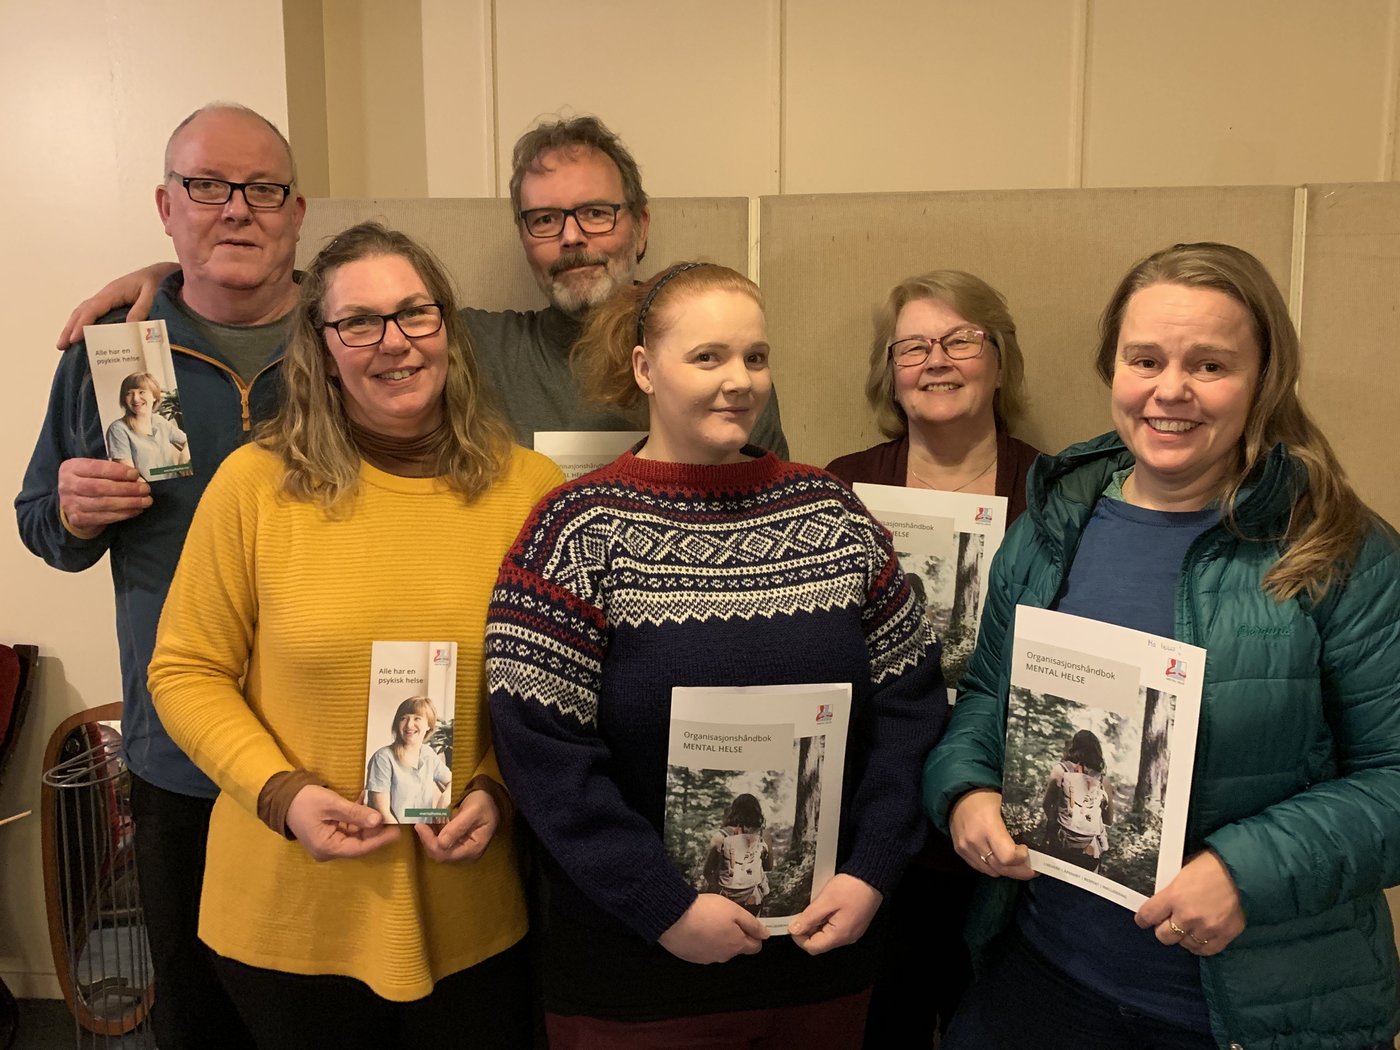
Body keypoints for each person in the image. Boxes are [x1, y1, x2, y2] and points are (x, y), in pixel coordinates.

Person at [924, 242, 1400, 1050]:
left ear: (1264, 379)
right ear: (1113, 367)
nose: (1169, 390)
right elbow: (984, 701)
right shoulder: (1051, 528)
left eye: (1210, 365)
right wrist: (965, 789)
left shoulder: (1339, 550)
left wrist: (1246, 872)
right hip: (1041, 973)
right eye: (1145, 359)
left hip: (1243, 1012)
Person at [484, 261, 947, 1048]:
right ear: (644, 368)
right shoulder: (576, 529)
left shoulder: (832, 514)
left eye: (755, 357)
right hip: (633, 967)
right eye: (708, 357)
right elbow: (542, 753)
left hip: (818, 954)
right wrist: (661, 907)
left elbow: (911, 706)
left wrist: (873, 867)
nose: (739, 381)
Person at [147, 221, 563, 1049]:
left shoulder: (530, 489)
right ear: (321, 346)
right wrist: (283, 793)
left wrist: (496, 787)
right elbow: (186, 671)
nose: (395, 342)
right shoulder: (256, 486)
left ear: (449, 327)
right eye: (359, 322)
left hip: (470, 903)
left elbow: (554, 686)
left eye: (416, 313)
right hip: (292, 910)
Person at [16, 101, 307, 1050]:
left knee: (325, 1004)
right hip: (179, 751)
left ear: (296, 211)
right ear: (166, 205)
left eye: (262, 189)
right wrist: (71, 508)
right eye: (207, 186)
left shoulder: (358, 342)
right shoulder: (115, 351)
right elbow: (40, 527)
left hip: (327, 738)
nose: (236, 209)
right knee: (200, 1012)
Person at [55, 114, 790, 458]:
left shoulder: (720, 361)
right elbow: (354, 316)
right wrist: (183, 276)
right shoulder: (478, 342)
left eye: (595, 212)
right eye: (543, 220)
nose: (572, 237)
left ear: (639, 222)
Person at [824, 269, 1044, 1045]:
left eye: (960, 340)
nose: (936, 361)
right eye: (913, 345)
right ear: (890, 368)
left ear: (1000, 357)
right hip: (877, 818)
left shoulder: (1055, 494)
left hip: (1007, 822)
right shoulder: (839, 489)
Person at [365, 697, 452, 824]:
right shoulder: (383, 758)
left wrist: (445, 798)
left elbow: (451, 780)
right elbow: (383, 814)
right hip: (394, 833)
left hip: (421, 831)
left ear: (429, 725)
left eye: (417, 718)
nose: (409, 725)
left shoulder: (428, 753)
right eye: (403, 718)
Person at [1037, 730, 1113, 872]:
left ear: (1074, 746)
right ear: (1097, 751)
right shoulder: (1103, 780)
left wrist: (1057, 824)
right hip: (1089, 850)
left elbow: (1047, 804)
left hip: (1060, 844)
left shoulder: (1060, 770)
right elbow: (1108, 820)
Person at [106, 371, 191, 481]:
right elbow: (129, 476)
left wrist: (184, 455)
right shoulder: (118, 429)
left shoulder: (159, 421)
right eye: (129, 393)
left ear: (154, 396)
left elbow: (187, 440)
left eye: (141, 392)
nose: (135, 398)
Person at [702, 794, 774, 915]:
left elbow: (708, 871)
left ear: (733, 811)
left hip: (725, 898)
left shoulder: (720, 836)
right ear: (757, 812)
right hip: (753, 898)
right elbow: (768, 867)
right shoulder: (763, 835)